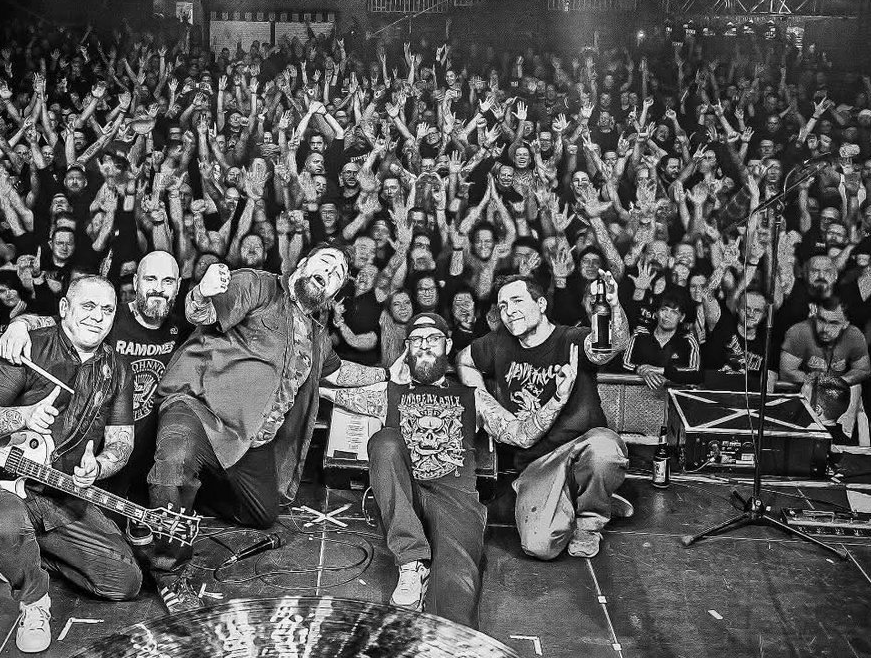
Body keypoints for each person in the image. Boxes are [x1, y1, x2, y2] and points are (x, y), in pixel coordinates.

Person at [145, 244, 390, 600]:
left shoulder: (318, 335)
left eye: (338, 274)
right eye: (326, 261)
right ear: (303, 264)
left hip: (248, 439)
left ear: (335, 293)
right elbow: (201, 312)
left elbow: (337, 373)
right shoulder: (258, 286)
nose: (331, 272)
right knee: (175, 459)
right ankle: (168, 573)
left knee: (262, 515)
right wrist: (201, 290)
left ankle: (188, 495)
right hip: (199, 409)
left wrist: (387, 373)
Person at [0, 273, 141, 653]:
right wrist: (22, 417)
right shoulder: (27, 347)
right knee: (6, 522)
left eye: (107, 309)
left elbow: (122, 443)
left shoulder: (118, 369)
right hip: (0, 481)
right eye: (87, 306)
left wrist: (101, 467)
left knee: (124, 581)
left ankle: (24, 553)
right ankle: (34, 600)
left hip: (58, 493)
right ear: (64, 308)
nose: (97, 317)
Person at [318, 312, 490, 627]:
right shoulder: (390, 393)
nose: (425, 346)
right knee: (383, 441)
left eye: (433, 338)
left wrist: (558, 399)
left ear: (447, 344)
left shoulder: (472, 397)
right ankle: (411, 561)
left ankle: (446, 655)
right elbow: (331, 391)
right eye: (417, 339)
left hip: (454, 496)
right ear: (407, 348)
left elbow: (521, 432)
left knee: (457, 592)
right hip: (404, 492)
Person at [459, 272, 632, 561]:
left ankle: (590, 521)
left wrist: (614, 307)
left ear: (540, 304)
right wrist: (483, 401)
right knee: (539, 546)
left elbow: (610, 347)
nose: (509, 311)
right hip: (536, 463)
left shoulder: (571, 339)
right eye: (502, 306)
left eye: (517, 301)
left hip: (582, 449)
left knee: (605, 452)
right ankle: (587, 497)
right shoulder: (498, 342)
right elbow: (464, 359)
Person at [0, 250, 190, 504]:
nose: (158, 289)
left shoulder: (180, 327)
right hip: (98, 451)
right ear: (135, 283)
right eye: (150, 279)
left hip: (147, 450)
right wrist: (19, 325)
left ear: (177, 287)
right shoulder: (108, 315)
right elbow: (57, 320)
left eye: (168, 281)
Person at [779, 295, 871, 442]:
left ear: (845, 324)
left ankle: (841, 439)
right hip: (804, 388)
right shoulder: (799, 332)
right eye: (821, 320)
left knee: (856, 386)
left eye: (834, 323)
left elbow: (863, 370)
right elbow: (786, 371)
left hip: (834, 394)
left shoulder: (854, 335)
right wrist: (814, 381)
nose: (825, 329)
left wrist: (835, 382)